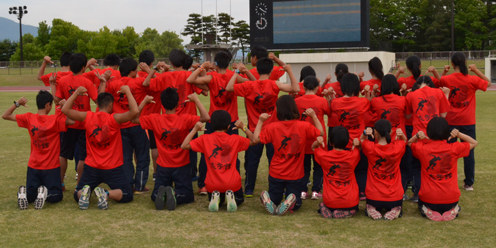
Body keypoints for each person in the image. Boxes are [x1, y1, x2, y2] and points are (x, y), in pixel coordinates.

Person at [226, 59, 300, 197]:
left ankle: (249, 188)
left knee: (252, 161)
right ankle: (278, 187)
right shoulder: (274, 84)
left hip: (254, 129)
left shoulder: (248, 85)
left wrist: (236, 72)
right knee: (275, 160)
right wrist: (289, 70)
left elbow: (229, 87)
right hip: (273, 130)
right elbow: (296, 89)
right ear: (271, 70)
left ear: (257, 70)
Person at [62, 85, 138, 210]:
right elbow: (134, 112)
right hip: (112, 168)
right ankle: (106, 194)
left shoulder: (88, 116)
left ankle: (86, 193)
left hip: (92, 167)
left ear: (98, 105)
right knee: (126, 194)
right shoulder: (114, 119)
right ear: (110, 105)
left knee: (77, 194)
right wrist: (128, 91)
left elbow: (65, 110)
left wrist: (76, 93)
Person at [134, 87, 210, 210]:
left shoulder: (155, 118)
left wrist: (144, 102)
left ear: (162, 104)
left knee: (155, 194)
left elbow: (134, 119)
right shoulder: (185, 118)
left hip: (163, 166)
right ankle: (174, 194)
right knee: (187, 194)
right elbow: (206, 117)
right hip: (182, 165)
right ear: (177, 104)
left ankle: (161, 194)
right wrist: (196, 100)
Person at [2, 91, 74, 210]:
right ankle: (45, 193)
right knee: (56, 195)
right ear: (47, 105)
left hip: (33, 166)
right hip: (51, 167)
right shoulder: (55, 120)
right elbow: (72, 121)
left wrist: (18, 104)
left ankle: (24, 193)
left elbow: (5, 115)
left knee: (31, 196)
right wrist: (65, 106)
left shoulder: (29, 117)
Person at [253, 95, 323, 216]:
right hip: (295, 174)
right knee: (297, 203)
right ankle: (290, 200)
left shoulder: (272, 127)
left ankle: (270, 199)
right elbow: (320, 132)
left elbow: (256, 139)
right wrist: (314, 116)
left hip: (276, 172)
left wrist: (260, 121)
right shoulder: (303, 126)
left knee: (275, 199)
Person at [186, 50, 240, 194]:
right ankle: (234, 184)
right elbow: (253, 83)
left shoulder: (211, 77)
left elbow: (190, 80)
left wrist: (202, 67)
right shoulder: (234, 76)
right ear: (228, 63)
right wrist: (239, 71)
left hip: (214, 120)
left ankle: (203, 185)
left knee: (207, 153)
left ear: (216, 64)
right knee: (233, 152)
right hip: (231, 120)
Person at [182, 110, 256, 212]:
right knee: (239, 200)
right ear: (228, 126)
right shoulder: (235, 139)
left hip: (213, 185)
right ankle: (231, 197)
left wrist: (195, 130)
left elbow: (184, 145)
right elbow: (254, 140)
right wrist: (243, 127)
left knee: (218, 200)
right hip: (232, 183)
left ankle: (217, 198)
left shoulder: (205, 139)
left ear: (211, 125)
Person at [439, 52, 491, 191]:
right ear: (465, 63)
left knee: (448, 151)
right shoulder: (471, 79)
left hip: (450, 120)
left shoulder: (447, 79)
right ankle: (469, 183)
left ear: (452, 64)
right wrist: (476, 70)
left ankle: (447, 178)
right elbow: (489, 83)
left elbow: (438, 83)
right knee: (468, 151)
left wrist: (443, 72)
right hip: (467, 121)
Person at [408, 117, 477, 221]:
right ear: (447, 132)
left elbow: (409, 143)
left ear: (429, 132)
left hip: (429, 198)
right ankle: (453, 210)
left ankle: (426, 210)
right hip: (451, 199)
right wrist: (458, 134)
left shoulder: (423, 149)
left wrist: (417, 136)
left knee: (421, 204)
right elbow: (474, 143)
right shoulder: (454, 148)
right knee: (451, 204)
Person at [101, 57, 152, 193]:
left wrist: (104, 80)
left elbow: (102, 96)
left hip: (121, 125)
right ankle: (140, 186)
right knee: (142, 157)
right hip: (137, 124)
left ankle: (128, 184)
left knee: (125, 158)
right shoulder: (139, 82)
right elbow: (154, 82)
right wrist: (149, 71)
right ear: (132, 71)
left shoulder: (113, 84)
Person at [54, 53, 100, 189]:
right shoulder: (87, 82)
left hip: (68, 122)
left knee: (63, 154)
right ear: (83, 67)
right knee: (82, 157)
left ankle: (60, 183)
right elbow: (98, 101)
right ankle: (79, 185)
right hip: (83, 123)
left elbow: (57, 99)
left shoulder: (63, 81)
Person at [406, 76, 451, 202]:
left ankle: (417, 193)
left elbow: (408, 115)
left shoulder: (412, 95)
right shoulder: (438, 92)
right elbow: (443, 115)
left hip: (418, 136)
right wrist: (446, 96)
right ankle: (436, 190)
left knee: (417, 166)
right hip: (435, 134)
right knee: (434, 166)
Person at [329, 73, 371, 200]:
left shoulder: (336, 102)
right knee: (361, 168)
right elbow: (369, 102)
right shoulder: (362, 101)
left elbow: (331, 105)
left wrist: (331, 96)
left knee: (345, 169)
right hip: (360, 141)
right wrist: (367, 93)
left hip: (343, 142)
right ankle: (362, 191)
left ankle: (345, 189)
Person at [360, 120, 406, 220]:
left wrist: (365, 133)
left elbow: (361, 140)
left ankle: (371, 208)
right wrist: (401, 135)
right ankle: (396, 208)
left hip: (374, 197)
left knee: (373, 204)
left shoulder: (370, 147)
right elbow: (405, 141)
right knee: (395, 204)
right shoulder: (398, 147)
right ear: (390, 133)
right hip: (395, 197)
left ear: (375, 132)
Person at [294, 75, 331, 200]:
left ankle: (303, 191)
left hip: (302, 138)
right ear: (317, 88)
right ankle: (316, 191)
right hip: (318, 137)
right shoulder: (322, 101)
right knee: (318, 166)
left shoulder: (297, 101)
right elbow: (329, 113)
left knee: (303, 166)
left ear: (303, 87)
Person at [312, 126, 361, 219]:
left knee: (324, 204)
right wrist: (357, 144)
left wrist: (317, 142)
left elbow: (313, 148)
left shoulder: (324, 156)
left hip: (330, 201)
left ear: (330, 142)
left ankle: (326, 208)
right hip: (350, 201)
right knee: (354, 207)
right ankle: (350, 211)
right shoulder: (353, 155)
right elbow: (359, 148)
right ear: (347, 142)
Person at [138, 50, 167, 182]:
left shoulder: (136, 75)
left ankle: (139, 172)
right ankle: (155, 172)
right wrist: (154, 70)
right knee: (154, 147)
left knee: (138, 148)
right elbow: (163, 82)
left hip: (138, 117)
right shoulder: (155, 76)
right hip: (154, 118)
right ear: (151, 63)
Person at [323, 63, 348, 148]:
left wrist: (325, 81)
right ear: (348, 73)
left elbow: (319, 90)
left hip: (333, 122)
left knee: (332, 149)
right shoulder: (350, 86)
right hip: (346, 122)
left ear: (335, 74)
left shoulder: (330, 86)